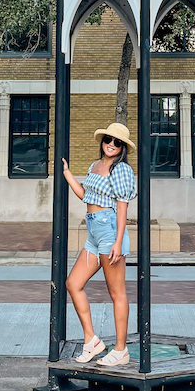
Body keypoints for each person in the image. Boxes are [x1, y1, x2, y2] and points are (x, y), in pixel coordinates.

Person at [62, 122, 138, 368]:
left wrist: (118, 241)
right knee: (73, 284)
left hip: (109, 230)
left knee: (117, 293)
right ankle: (92, 340)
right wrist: (67, 175)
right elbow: (85, 195)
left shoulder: (122, 169)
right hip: (93, 230)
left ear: (122, 147)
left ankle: (120, 349)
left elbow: (123, 206)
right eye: (108, 140)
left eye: (117, 143)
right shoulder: (95, 165)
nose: (111, 145)